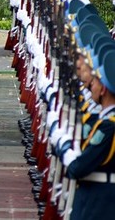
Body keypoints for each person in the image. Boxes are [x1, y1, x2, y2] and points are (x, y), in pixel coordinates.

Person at [49, 48, 115, 219]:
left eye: (96, 81)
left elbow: (79, 168)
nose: (91, 84)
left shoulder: (108, 127)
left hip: (99, 205)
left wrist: (64, 148)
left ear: (103, 90)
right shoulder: (105, 123)